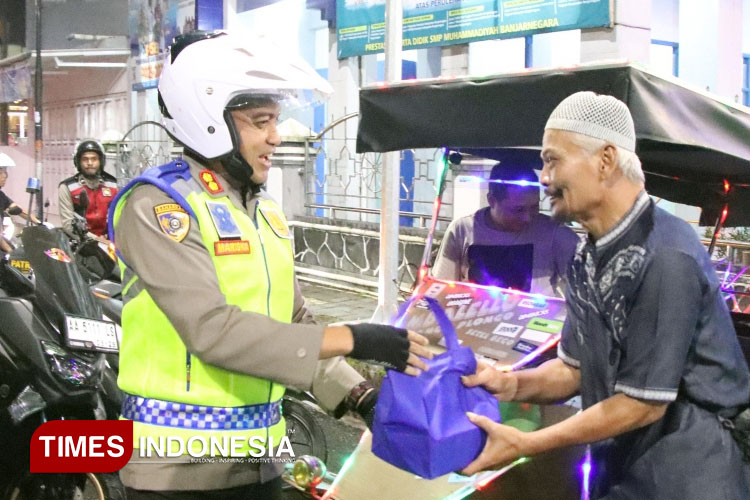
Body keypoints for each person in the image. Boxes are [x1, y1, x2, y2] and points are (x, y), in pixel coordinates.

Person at [108, 31, 431, 500]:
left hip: (258, 463)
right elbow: (212, 329)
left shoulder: (264, 212)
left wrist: (361, 395)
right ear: (209, 122)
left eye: (275, 121)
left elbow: (293, 325)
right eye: (260, 122)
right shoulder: (160, 205)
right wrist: (360, 337)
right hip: (176, 472)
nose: (275, 137)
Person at [461, 91, 750, 499]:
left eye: (552, 159)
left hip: (686, 480)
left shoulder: (666, 254)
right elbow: (574, 370)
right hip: (618, 477)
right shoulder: (590, 254)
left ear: (606, 160)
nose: (543, 177)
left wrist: (526, 444)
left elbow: (642, 403)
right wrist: (509, 385)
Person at [432, 162, 578, 296]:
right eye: (518, 210)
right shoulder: (462, 230)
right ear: (492, 201)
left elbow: (586, 282)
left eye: (534, 207)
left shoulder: (555, 233)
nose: (528, 217)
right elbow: (440, 290)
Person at [58, 139, 119, 242]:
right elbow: (68, 226)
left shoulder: (113, 185)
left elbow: (119, 215)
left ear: (101, 161)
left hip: (109, 242)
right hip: (80, 244)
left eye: (94, 159)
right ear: (78, 162)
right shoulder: (67, 187)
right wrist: (97, 239)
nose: (89, 163)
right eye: (85, 159)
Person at [0, 152, 39, 253]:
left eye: (5, 172)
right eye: (1, 172)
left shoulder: (1, 195)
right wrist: (10, 252)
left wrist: (39, 223)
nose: (5, 176)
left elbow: (18, 209)